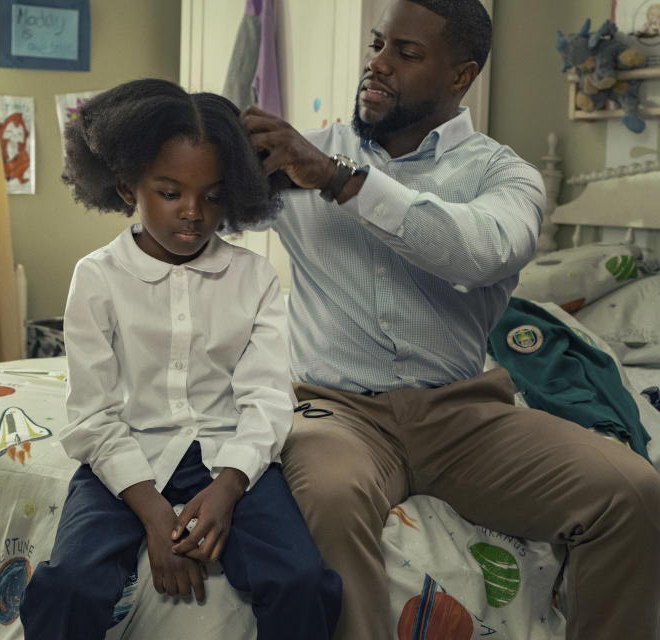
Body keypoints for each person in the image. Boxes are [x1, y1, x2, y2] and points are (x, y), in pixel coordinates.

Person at [239, 1, 660, 639]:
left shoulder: (506, 176)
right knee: (326, 498)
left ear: (460, 77)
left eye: (406, 54)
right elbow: (199, 215)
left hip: (463, 416)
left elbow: (478, 253)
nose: (377, 63)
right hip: (337, 408)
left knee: (633, 493)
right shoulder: (300, 156)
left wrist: (338, 181)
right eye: (379, 44)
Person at [17, 78, 343, 639]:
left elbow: (268, 398)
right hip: (125, 462)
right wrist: (155, 517)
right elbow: (92, 415)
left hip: (228, 457)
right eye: (170, 192)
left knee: (301, 581)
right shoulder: (96, 278)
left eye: (213, 195)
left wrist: (228, 487)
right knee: (68, 585)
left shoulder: (255, 279)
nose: (193, 212)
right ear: (127, 187)